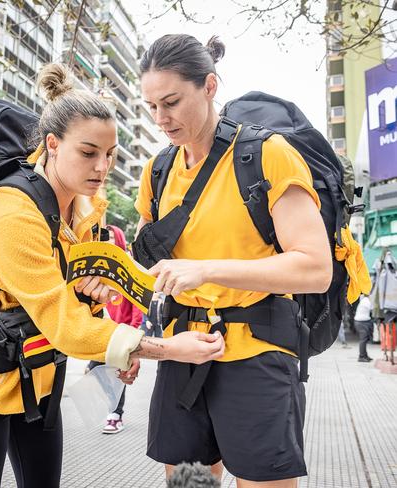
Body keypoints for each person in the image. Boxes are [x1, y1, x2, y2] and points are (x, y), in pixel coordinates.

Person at [0, 63, 226, 488]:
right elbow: (63, 323)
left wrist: (116, 347)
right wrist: (163, 348)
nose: (102, 168)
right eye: (88, 153)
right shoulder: (14, 217)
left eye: (110, 155)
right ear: (52, 144)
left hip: (38, 381)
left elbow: (76, 303)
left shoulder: (85, 211)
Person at [135, 35, 332, 487]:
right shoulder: (158, 171)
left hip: (256, 354)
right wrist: (137, 337)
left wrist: (207, 268)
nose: (162, 119)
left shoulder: (267, 156)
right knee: (188, 483)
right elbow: (153, 267)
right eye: (151, 106)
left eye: (171, 101)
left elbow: (315, 269)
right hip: (182, 351)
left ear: (208, 86)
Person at [86, 225, 142, 434]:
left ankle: (115, 414)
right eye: (104, 237)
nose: (107, 240)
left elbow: (136, 304)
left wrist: (133, 332)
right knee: (95, 368)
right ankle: (112, 410)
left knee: (119, 374)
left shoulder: (127, 266)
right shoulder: (98, 267)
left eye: (110, 237)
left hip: (122, 333)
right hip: (103, 331)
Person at [355, 294, 373, 362]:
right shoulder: (366, 301)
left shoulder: (365, 300)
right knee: (363, 340)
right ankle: (361, 356)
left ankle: (365, 355)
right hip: (361, 322)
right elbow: (372, 308)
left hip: (363, 322)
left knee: (364, 340)